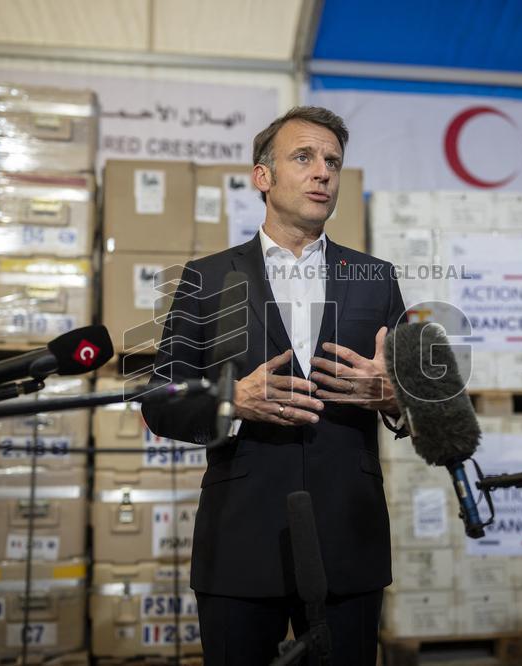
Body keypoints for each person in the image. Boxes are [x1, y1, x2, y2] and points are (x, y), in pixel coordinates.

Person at [142, 106, 408, 664]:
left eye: (332, 161)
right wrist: (230, 401)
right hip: (242, 543)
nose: (323, 173)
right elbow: (159, 402)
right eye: (305, 157)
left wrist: (393, 397)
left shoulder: (376, 278)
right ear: (262, 177)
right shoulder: (207, 278)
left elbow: (425, 401)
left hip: (349, 541)